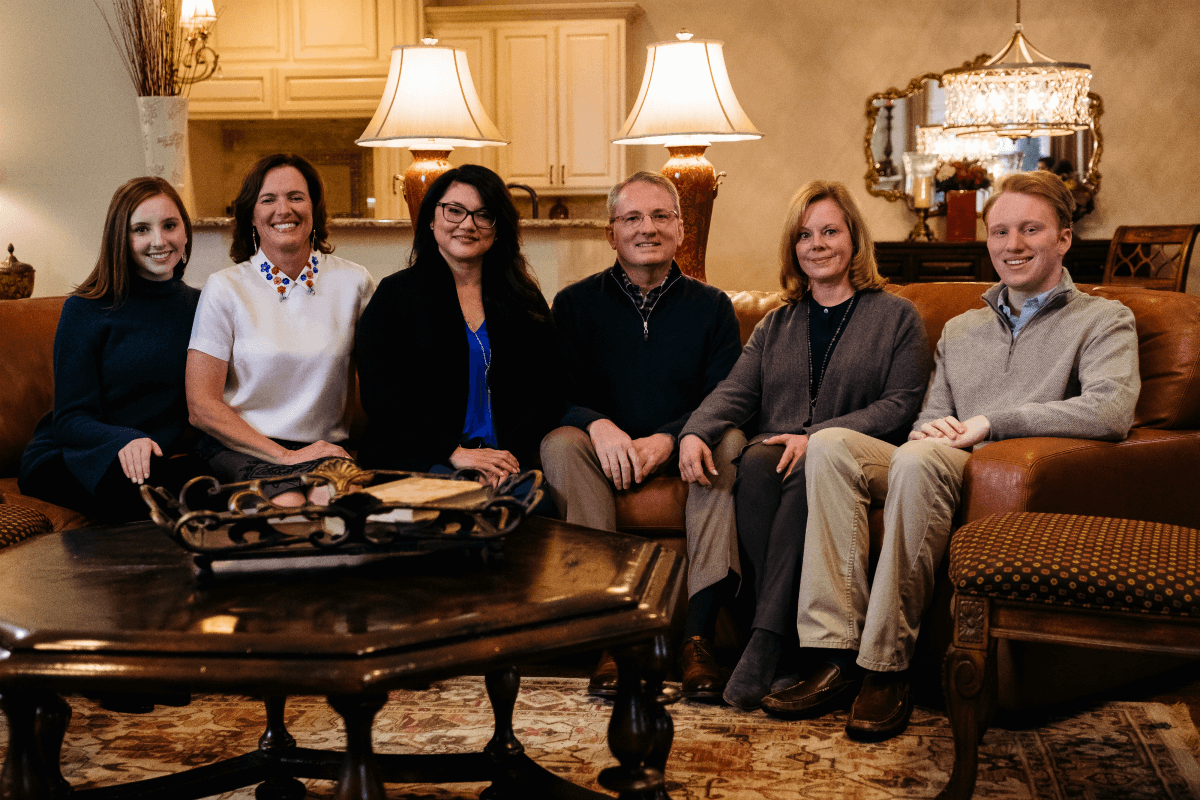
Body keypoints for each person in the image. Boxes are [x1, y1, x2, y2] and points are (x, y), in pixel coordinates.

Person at [762, 170, 1140, 740]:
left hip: (1013, 470)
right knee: (831, 443)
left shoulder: (1103, 319)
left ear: (1063, 238)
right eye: (1000, 231)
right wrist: (926, 431)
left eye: (1030, 230)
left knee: (916, 461)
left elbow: (1109, 412)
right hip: (939, 463)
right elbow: (924, 423)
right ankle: (834, 655)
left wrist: (992, 422)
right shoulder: (963, 329)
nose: (1012, 246)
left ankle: (885, 667)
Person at [678, 181, 929, 710]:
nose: (817, 244)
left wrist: (814, 436)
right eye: (804, 235)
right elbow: (736, 392)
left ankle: (766, 640)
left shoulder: (896, 316)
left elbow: (901, 403)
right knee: (762, 460)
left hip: (853, 455)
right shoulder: (776, 322)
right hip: (774, 458)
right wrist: (695, 432)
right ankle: (784, 643)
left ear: (854, 238)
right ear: (793, 248)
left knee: (802, 468)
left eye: (830, 231)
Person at [540, 171, 743, 699]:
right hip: (603, 454)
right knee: (559, 443)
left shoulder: (713, 306)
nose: (646, 229)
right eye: (631, 218)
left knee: (728, 440)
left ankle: (697, 638)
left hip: (687, 450)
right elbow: (553, 396)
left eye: (660, 216)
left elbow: (726, 396)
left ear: (681, 230)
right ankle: (610, 633)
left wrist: (671, 438)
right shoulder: (574, 305)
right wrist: (597, 424)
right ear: (611, 234)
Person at [186, 153, 375, 505]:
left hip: (325, 447)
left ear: (314, 209)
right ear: (252, 217)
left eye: (296, 197)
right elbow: (201, 406)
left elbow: (388, 374)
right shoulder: (225, 287)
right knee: (288, 507)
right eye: (268, 199)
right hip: (246, 447)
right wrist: (285, 457)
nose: (283, 209)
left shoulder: (354, 282)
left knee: (337, 502)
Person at [354, 165, 559, 486]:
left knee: (532, 503)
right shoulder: (396, 295)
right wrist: (453, 451)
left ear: (498, 226)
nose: (467, 224)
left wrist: (503, 459)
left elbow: (545, 391)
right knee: (462, 502)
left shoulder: (524, 297)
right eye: (454, 211)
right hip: (415, 456)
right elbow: (381, 395)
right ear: (432, 219)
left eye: (483, 214)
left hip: (504, 458)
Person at [19, 177, 207, 522]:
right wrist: (125, 439)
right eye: (141, 229)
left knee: (207, 486)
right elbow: (70, 419)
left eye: (170, 225)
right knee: (161, 499)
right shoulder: (86, 309)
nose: (159, 241)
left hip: (156, 458)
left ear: (185, 231)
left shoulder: (204, 306)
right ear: (119, 237)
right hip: (71, 455)